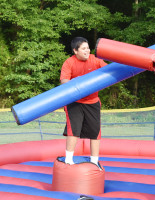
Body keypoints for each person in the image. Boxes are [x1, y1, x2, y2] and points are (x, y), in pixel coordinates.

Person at [60, 37, 107, 166]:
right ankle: (68, 160)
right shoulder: (69, 62)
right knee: (73, 130)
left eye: (88, 48)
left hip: (92, 101)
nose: (87, 51)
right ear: (76, 51)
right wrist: (77, 82)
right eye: (83, 49)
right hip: (74, 102)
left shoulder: (95, 59)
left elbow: (108, 71)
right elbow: (64, 81)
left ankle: (94, 161)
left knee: (95, 132)